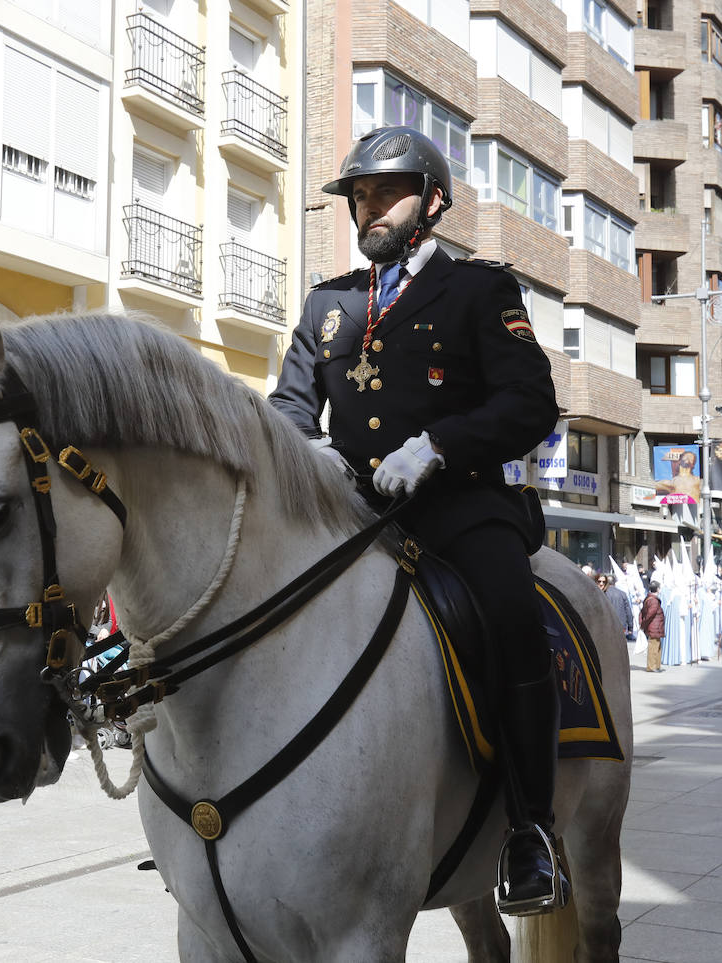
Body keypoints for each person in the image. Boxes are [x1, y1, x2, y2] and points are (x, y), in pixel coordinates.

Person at [268, 126, 565, 913]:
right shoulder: (328, 303)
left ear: (431, 201)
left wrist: (439, 443)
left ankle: (532, 828)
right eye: (360, 194)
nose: (369, 207)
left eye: (385, 192)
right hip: (349, 509)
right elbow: (289, 408)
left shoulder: (477, 291)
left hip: (457, 504)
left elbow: (532, 401)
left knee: (510, 615)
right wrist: (310, 453)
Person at [639, 582, 666, 673]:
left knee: (657, 646)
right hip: (655, 627)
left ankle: (656, 665)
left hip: (656, 626)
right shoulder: (653, 600)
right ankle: (651, 666)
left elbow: (643, 612)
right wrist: (643, 625)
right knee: (653, 647)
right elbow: (650, 614)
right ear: (657, 589)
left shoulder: (649, 598)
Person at [601, 575, 634, 644]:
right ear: (615, 582)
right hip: (621, 625)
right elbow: (628, 611)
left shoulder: (603, 593)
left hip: (607, 625)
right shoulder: (622, 594)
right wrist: (630, 627)